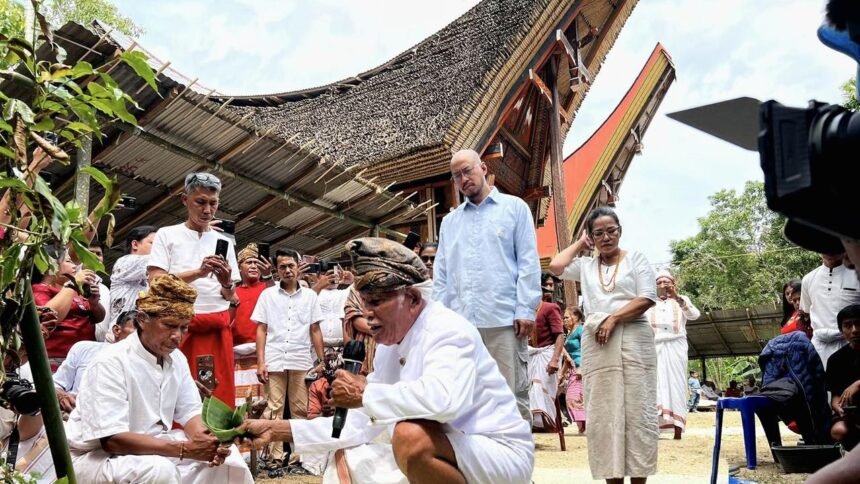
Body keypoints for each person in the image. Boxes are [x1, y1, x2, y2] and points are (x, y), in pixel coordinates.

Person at [239, 237, 535, 484]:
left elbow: (445, 400)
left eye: (377, 303)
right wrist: (278, 430)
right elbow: (357, 424)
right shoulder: (389, 346)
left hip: (496, 451)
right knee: (349, 454)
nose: (367, 314)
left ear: (414, 299)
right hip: (454, 448)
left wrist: (364, 392)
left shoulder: (448, 329)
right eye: (365, 304)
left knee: (409, 437)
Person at [64, 275, 253, 483]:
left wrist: (207, 443)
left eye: (184, 327)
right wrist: (184, 450)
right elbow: (112, 440)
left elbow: (190, 412)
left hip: (152, 447)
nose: (177, 336)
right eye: (170, 325)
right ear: (143, 319)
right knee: (158, 470)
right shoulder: (110, 361)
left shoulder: (177, 359)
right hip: (96, 458)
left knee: (229, 459)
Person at [549, 206, 657, 483]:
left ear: (620, 231)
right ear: (591, 237)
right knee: (603, 412)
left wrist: (614, 318)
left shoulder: (637, 260)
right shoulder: (586, 266)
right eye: (599, 233)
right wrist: (580, 244)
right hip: (599, 343)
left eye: (611, 231)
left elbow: (646, 298)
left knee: (637, 410)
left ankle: (638, 479)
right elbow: (555, 266)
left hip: (633, 336)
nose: (606, 237)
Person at [434, 149, 541, 420]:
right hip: (462, 323)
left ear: (483, 168)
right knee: (467, 394)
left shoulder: (515, 209)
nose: (463, 178)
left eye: (467, 170)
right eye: (457, 175)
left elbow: (528, 262)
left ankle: (516, 458)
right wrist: (439, 319)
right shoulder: (449, 223)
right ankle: (478, 459)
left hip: (504, 319)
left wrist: (525, 309)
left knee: (510, 393)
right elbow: (442, 275)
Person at [147, 172, 240, 406]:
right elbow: (155, 281)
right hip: (179, 324)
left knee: (219, 388)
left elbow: (231, 296)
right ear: (184, 200)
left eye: (213, 203)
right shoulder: (167, 234)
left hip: (217, 323)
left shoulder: (226, 243)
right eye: (200, 202)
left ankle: (216, 437)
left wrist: (226, 282)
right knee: (176, 386)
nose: (207, 210)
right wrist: (198, 273)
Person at [252, 248, 324, 471]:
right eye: (282, 266)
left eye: (291, 265)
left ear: (298, 266)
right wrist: (261, 361)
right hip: (274, 359)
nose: (287, 270)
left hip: (301, 358)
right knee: (273, 408)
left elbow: (315, 329)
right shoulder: (267, 295)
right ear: (277, 269)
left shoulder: (310, 296)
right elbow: (261, 330)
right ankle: (275, 457)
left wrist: (321, 360)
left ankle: (298, 457)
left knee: (300, 409)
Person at [646, 269, 700, 439]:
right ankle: (654, 428)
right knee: (655, 386)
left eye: (666, 282)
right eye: (659, 283)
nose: (663, 286)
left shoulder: (681, 300)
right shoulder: (648, 302)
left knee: (676, 385)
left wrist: (676, 297)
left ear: (673, 284)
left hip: (676, 346)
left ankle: (678, 429)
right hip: (654, 348)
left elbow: (694, 315)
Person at [32, 250, 105, 369]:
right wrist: (73, 284)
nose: (75, 266)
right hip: (57, 359)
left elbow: (98, 318)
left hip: (85, 358)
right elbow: (49, 316)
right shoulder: (39, 289)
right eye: (68, 261)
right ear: (52, 265)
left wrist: (94, 303)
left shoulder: (74, 291)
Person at [54, 309, 137, 412]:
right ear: (116, 330)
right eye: (136, 334)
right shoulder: (84, 349)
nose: (140, 339)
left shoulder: (150, 365)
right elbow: (56, 384)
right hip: (73, 415)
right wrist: (62, 396)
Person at [230, 243, 273, 408]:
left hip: (263, 355)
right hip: (236, 355)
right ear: (239, 267)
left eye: (257, 262)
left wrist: (269, 277)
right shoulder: (232, 292)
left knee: (264, 403)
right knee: (238, 403)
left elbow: (277, 300)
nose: (254, 266)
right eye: (249, 262)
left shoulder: (268, 288)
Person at [800, 251, 860, 369]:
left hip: (852, 344)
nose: (829, 250)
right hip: (819, 348)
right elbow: (806, 311)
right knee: (820, 385)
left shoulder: (857, 274)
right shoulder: (808, 279)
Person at [105, 225, 157, 343]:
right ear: (135, 244)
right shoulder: (125, 262)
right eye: (153, 243)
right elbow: (164, 259)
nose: (158, 249)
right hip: (120, 337)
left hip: (142, 337)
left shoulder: (154, 272)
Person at [527, 272, 565, 429]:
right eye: (546, 287)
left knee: (540, 388)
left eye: (550, 287)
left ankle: (546, 424)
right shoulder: (525, 309)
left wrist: (555, 360)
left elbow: (560, 335)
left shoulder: (551, 308)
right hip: (529, 354)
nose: (549, 291)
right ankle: (532, 424)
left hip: (547, 356)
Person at [825, 304, 860, 451]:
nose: (854, 330)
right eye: (848, 325)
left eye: (858, 323)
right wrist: (837, 406)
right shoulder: (835, 360)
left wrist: (858, 384)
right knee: (838, 430)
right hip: (853, 416)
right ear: (841, 330)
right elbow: (835, 395)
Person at [560, 307, 587, 433]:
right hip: (572, 370)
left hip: (581, 369)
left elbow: (587, 349)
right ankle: (582, 428)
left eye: (566, 317)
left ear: (575, 317)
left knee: (574, 398)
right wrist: (562, 374)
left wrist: (582, 367)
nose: (564, 320)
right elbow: (567, 358)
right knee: (573, 398)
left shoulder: (581, 330)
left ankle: (583, 428)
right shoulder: (570, 333)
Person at [87, 240, 112, 343]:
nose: (95, 256)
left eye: (98, 254)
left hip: (100, 347)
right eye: (91, 252)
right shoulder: (70, 284)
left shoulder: (105, 289)